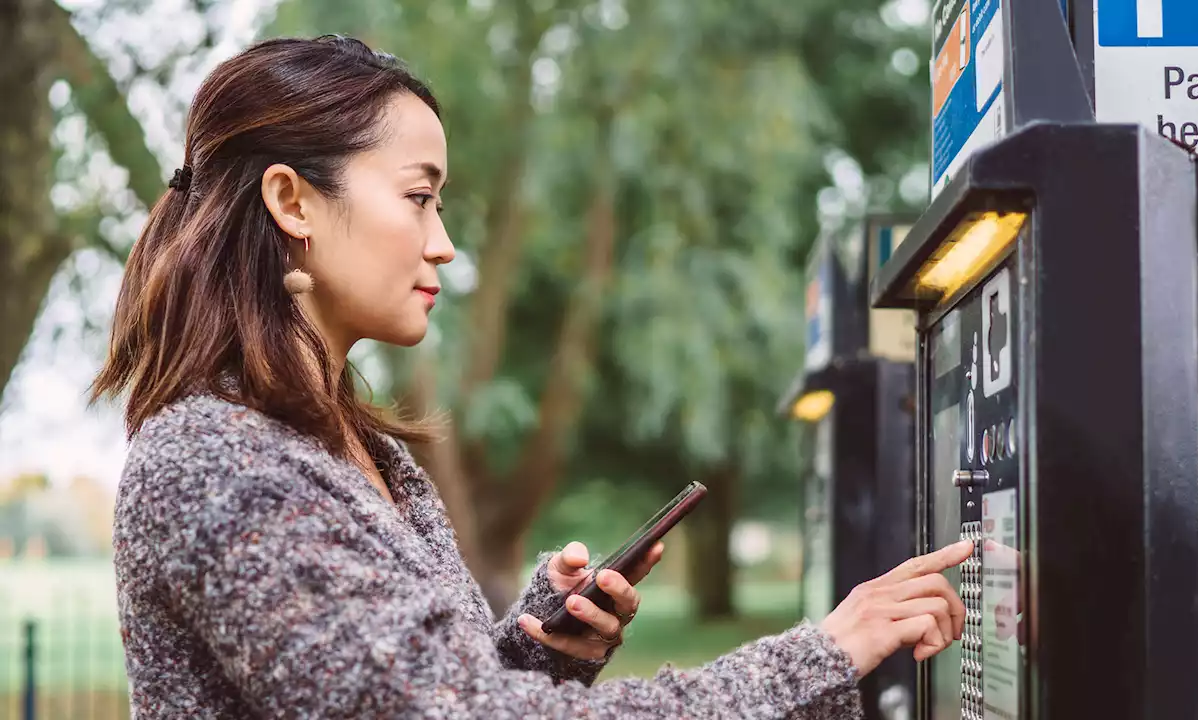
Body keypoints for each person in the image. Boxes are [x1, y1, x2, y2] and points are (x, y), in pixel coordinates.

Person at [93, 35, 973, 719]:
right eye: (417, 197)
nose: (444, 243)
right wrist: (817, 655)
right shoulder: (213, 464)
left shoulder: (360, 453)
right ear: (292, 202)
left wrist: (538, 650)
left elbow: (429, 694)